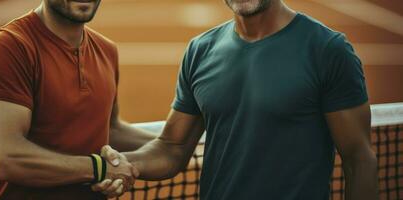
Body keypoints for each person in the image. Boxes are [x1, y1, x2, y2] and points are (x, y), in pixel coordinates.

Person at [93, 0, 378, 199]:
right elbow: (172, 148)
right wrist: (125, 163)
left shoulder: (327, 50)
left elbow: (359, 159)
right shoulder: (201, 51)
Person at [0, 0, 154, 199]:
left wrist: (187, 143)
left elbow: (110, 129)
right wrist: (98, 168)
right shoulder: (10, 46)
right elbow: (9, 159)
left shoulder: (107, 50)